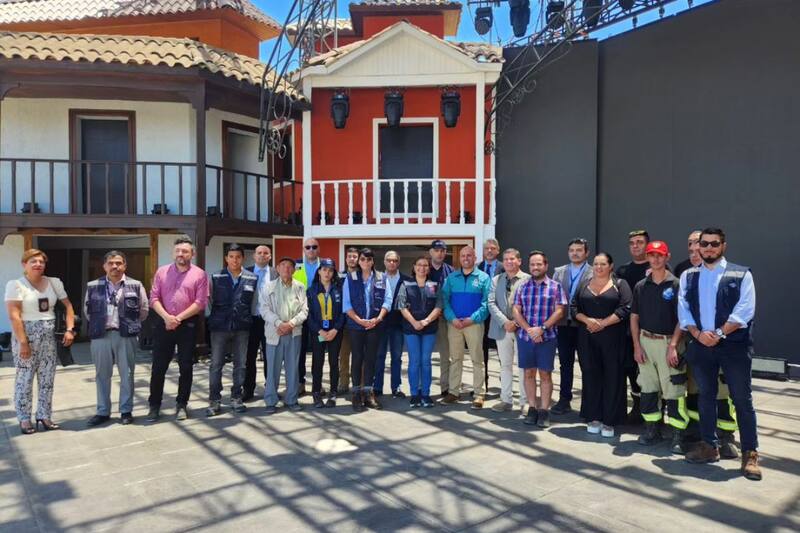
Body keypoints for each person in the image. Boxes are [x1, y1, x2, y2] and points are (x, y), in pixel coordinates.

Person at [678, 228, 761, 480]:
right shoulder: (689, 276)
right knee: (705, 396)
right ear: (699, 247)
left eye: (715, 244)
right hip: (701, 344)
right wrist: (697, 333)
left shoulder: (741, 273)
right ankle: (709, 446)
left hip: (733, 345)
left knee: (742, 399)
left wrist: (718, 333)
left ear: (723, 246)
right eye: (705, 244)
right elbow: (683, 308)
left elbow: (745, 309)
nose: (709, 248)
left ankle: (750, 454)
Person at [5, 249, 75, 434]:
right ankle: (24, 419)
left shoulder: (54, 282)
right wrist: (23, 342)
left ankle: (44, 416)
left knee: (47, 379)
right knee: (24, 379)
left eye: (41, 262)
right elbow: (14, 316)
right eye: (33, 261)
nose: (38, 265)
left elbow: (68, 306)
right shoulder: (16, 285)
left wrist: (69, 329)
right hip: (25, 335)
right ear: (24, 265)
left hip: (49, 336)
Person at [629, 241, 688, 449]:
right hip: (646, 342)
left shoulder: (676, 284)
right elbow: (634, 317)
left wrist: (673, 345)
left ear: (667, 257)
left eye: (659, 255)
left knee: (674, 390)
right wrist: (636, 345)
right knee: (648, 388)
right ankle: (652, 430)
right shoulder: (641, 286)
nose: (655, 259)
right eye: (652, 255)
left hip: (668, 344)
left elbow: (683, 318)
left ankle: (678, 436)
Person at [84, 250, 149, 427]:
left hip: (126, 336)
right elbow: (87, 311)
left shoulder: (135, 285)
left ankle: (126, 411)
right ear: (104, 266)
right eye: (111, 263)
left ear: (124, 265)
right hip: (101, 336)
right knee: (101, 375)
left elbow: (143, 310)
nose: (115, 266)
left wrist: (129, 323)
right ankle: (102, 411)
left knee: (127, 375)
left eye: (119, 263)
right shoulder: (93, 286)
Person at [148, 237, 208, 422]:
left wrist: (178, 318)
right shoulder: (162, 271)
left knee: (186, 367)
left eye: (185, 251)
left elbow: (201, 302)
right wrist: (167, 317)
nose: (181, 254)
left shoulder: (200, 274)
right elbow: (154, 298)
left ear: (192, 254)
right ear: (174, 252)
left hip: (187, 327)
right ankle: (154, 406)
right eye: (178, 251)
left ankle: (182, 404)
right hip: (163, 325)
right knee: (158, 367)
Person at [572, 252, 632, 438]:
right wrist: (588, 321)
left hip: (613, 339)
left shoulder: (620, 284)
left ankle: (609, 420)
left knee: (613, 377)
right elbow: (574, 307)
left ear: (611, 266)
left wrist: (603, 323)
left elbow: (626, 308)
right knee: (591, 375)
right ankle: (594, 417)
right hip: (587, 338)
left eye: (603, 264)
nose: (599, 267)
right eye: (596, 264)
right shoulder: (584, 284)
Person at [512, 251, 567, 428]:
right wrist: (529, 330)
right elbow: (516, 310)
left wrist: (542, 328)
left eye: (539, 264)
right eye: (532, 265)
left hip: (547, 337)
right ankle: (532, 408)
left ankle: (544, 410)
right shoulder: (522, 286)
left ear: (546, 265)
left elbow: (560, 311)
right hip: (525, 337)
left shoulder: (555, 287)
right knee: (528, 373)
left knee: (545, 374)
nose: (535, 267)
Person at [206, 244, 258, 417]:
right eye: (231, 256)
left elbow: (253, 303)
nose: (234, 260)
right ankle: (214, 400)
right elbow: (210, 301)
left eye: (238, 257)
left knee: (241, 365)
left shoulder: (252, 278)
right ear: (226, 258)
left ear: (243, 258)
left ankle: (236, 397)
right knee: (216, 365)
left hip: (242, 327)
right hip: (220, 327)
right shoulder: (216, 277)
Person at [441, 246, 491, 409]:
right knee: (455, 359)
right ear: (459, 258)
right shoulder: (451, 278)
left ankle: (479, 394)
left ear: (475, 257)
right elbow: (445, 300)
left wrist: (472, 319)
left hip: (474, 324)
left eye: (469, 255)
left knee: (477, 359)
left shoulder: (483, 277)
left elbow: (486, 303)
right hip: (454, 324)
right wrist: (452, 318)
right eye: (463, 255)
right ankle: (454, 392)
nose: (466, 258)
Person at [343, 248, 392, 412]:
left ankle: (368, 392)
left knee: (371, 359)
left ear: (373, 261)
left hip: (374, 325)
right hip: (356, 326)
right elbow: (346, 303)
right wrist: (359, 320)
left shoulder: (382, 277)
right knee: (356, 358)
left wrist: (377, 319)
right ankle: (356, 392)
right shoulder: (350, 277)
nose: (365, 262)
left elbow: (387, 300)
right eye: (362, 259)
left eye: (368, 259)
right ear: (359, 261)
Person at [261, 257, 309, 413]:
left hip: (293, 333)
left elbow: (304, 311)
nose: (286, 269)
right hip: (275, 332)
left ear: (294, 270)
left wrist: (291, 323)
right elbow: (264, 309)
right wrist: (278, 323)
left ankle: (291, 399)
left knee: (292, 368)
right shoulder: (268, 287)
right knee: (273, 369)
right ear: (277, 268)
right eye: (283, 266)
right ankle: (270, 401)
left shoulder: (300, 287)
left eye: (290, 267)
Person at [551, 238, 592, 415]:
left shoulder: (593, 271)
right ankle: (564, 399)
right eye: (572, 250)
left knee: (587, 364)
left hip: (583, 324)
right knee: (565, 364)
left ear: (586, 253)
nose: (575, 253)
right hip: (563, 325)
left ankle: (588, 402)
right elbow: (552, 297)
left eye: (579, 250)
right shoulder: (559, 272)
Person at [397, 256, 443, 408]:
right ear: (414, 267)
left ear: (428, 268)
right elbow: (402, 306)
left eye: (425, 265)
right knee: (414, 361)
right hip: (411, 329)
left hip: (429, 328)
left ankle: (426, 394)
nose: (422, 268)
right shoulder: (406, 284)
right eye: (419, 265)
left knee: (426, 361)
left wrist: (426, 321)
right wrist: (415, 322)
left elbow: (438, 306)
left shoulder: (434, 285)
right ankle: (415, 394)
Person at [488, 248, 531, 413]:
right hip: (502, 328)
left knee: (523, 366)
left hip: (522, 329)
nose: (508, 262)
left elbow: (530, 304)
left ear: (519, 261)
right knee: (505, 365)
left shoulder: (528, 280)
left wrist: (517, 322)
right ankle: (506, 400)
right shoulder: (496, 280)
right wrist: (505, 322)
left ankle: (525, 401)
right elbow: (491, 302)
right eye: (505, 259)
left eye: (512, 259)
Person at [615, 229, 650, 424]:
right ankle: (636, 408)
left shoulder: (659, 267)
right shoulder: (622, 271)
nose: (635, 246)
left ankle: (653, 413)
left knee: (649, 373)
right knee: (630, 370)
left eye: (639, 242)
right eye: (632, 243)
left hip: (650, 331)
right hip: (625, 332)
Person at [307, 258, 345, 408]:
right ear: (319, 271)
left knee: (334, 362)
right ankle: (316, 392)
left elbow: (344, 312)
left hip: (335, 332)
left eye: (330, 270)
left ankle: (333, 393)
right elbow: (308, 314)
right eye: (324, 270)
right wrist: (320, 330)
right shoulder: (311, 290)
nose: (327, 273)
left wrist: (335, 329)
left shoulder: (339, 289)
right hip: (318, 332)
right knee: (318, 362)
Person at [242, 244, 277, 402]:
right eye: (259, 253)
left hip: (270, 321)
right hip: (251, 320)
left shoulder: (276, 273)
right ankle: (248, 389)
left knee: (271, 356)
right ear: (254, 256)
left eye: (265, 253)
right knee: (249, 357)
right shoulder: (245, 272)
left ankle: (270, 389)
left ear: (270, 256)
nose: (262, 255)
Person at [374, 250, 411, 398]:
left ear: (399, 262)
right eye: (389, 260)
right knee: (379, 356)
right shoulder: (377, 279)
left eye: (395, 260)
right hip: (380, 323)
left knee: (396, 357)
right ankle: (377, 387)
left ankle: (396, 387)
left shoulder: (407, 280)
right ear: (384, 262)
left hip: (398, 324)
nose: (392, 263)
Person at [293, 237, 321, 395]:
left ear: (319, 249)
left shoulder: (325, 265)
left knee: (319, 350)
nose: (311, 250)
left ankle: (318, 384)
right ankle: (300, 382)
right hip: (300, 314)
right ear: (303, 249)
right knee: (300, 350)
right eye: (308, 247)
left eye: (314, 247)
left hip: (319, 315)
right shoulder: (296, 266)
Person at [428, 240, 454, 396]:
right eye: (437, 250)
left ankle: (445, 387)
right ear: (431, 252)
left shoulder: (451, 272)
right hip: (425, 318)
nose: (440, 253)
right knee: (423, 356)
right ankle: (421, 388)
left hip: (444, 318)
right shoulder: (424, 268)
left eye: (443, 250)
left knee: (446, 355)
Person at [478, 238, 503, 389]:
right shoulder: (477, 268)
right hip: (482, 316)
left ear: (498, 250)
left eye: (493, 248)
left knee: (502, 353)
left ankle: (504, 387)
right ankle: (483, 386)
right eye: (487, 248)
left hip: (499, 315)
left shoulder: (504, 267)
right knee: (482, 352)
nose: (489, 251)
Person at [337, 247, 360, 395]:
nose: (352, 259)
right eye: (349, 256)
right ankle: (343, 384)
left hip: (359, 322)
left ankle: (358, 384)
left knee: (359, 356)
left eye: (355, 256)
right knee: (344, 355)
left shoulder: (363, 275)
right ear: (346, 259)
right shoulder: (339, 276)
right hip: (343, 323)